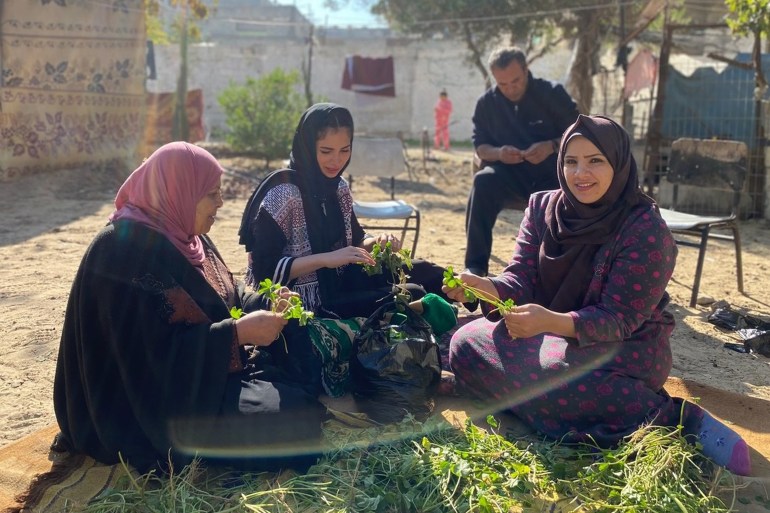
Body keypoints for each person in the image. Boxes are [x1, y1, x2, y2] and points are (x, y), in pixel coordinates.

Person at [443, 115, 751, 476]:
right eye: (571, 161)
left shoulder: (645, 230)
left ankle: (676, 419)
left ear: (618, 163)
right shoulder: (543, 209)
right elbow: (521, 276)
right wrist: (488, 288)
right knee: (464, 344)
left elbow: (619, 319)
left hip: (622, 349)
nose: (580, 174)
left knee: (558, 376)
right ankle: (547, 407)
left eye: (595, 161)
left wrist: (553, 321)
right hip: (545, 339)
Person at [53, 142, 326, 474]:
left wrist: (266, 302)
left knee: (298, 400)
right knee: (291, 423)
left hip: (198, 380)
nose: (221, 203)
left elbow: (226, 296)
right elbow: (144, 360)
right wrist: (236, 334)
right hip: (140, 406)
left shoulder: (188, 235)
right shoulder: (120, 251)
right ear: (179, 192)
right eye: (211, 194)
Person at [239, 102, 464, 319]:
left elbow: (355, 240)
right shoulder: (283, 194)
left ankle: (477, 295)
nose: (336, 160)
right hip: (307, 300)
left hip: (342, 278)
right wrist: (326, 259)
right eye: (326, 151)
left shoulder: (338, 187)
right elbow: (264, 272)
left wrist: (376, 241)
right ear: (307, 147)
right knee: (412, 293)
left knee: (423, 271)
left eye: (344, 150)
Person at [465, 45, 580, 277]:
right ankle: (475, 268)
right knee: (483, 181)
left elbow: (579, 134)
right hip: (507, 174)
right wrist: (499, 153)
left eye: (515, 81)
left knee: (565, 199)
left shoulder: (552, 93)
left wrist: (551, 146)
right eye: (502, 84)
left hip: (551, 174)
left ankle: (554, 273)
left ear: (526, 70)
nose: (510, 89)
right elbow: (481, 147)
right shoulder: (487, 103)